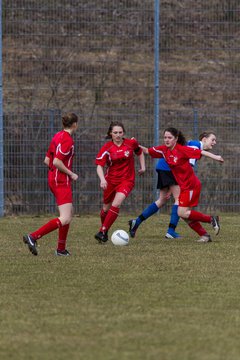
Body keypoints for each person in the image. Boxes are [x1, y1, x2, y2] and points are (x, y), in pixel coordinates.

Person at [140, 127, 224, 243]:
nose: (167, 140)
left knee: (182, 212)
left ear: (176, 139)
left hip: (191, 185)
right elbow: (147, 151)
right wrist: (133, 145)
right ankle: (205, 235)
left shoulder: (182, 149)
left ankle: (211, 219)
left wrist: (216, 157)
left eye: (170, 138)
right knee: (185, 215)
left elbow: (200, 152)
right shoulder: (164, 150)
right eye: (165, 137)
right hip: (184, 186)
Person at [23, 112, 79, 256]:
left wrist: (55, 174)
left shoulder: (57, 136)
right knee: (65, 217)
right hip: (61, 180)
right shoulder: (67, 140)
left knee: (69, 212)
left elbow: (47, 160)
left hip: (53, 178)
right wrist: (71, 173)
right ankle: (33, 236)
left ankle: (61, 249)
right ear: (75, 125)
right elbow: (56, 161)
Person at [95, 121, 146, 243]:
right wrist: (102, 179)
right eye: (115, 132)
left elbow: (139, 152)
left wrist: (143, 167)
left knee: (116, 203)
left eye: (120, 132)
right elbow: (99, 166)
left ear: (124, 133)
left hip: (127, 180)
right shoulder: (107, 148)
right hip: (110, 181)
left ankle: (102, 231)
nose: (118, 135)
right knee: (105, 209)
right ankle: (105, 230)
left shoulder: (131, 143)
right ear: (110, 133)